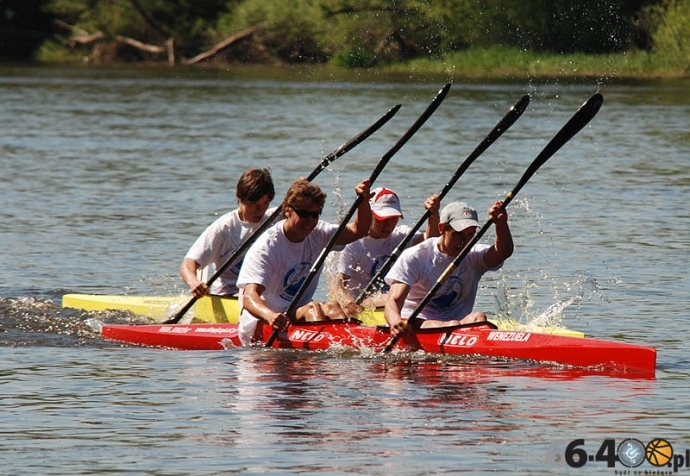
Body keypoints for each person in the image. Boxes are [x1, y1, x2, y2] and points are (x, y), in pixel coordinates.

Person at [236, 177, 372, 346]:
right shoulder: (267, 247)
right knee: (313, 308)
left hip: (297, 313)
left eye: (315, 215)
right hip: (263, 323)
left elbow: (359, 231)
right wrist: (271, 316)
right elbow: (249, 298)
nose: (309, 221)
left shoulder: (318, 232)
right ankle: (321, 358)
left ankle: (354, 351)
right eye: (303, 214)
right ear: (287, 210)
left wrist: (363, 202)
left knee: (334, 307)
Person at [384, 200, 514, 338]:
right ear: (441, 228)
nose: (464, 241)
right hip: (414, 324)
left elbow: (502, 253)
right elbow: (393, 301)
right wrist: (395, 322)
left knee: (479, 318)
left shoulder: (474, 255)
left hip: (458, 326)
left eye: (470, 234)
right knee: (452, 324)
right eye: (458, 234)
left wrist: (501, 224)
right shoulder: (416, 256)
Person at [332, 187, 441, 316]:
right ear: (370, 215)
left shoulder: (401, 236)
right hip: (363, 306)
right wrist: (347, 302)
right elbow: (337, 285)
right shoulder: (353, 244)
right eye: (382, 219)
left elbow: (431, 242)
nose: (388, 225)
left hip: (393, 302)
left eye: (393, 219)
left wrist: (433, 215)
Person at [180, 168, 276, 298]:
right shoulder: (224, 228)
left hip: (260, 296)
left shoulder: (274, 218)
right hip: (228, 296)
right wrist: (194, 282)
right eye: (253, 204)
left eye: (265, 203)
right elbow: (188, 264)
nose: (260, 210)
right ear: (240, 198)